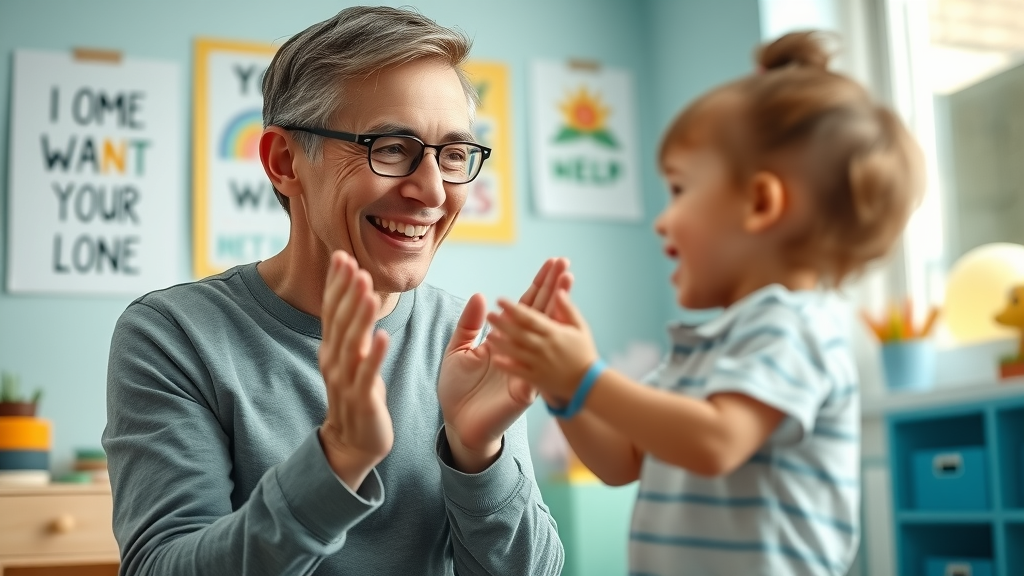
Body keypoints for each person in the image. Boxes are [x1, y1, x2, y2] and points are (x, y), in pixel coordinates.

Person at [102, 6, 566, 576]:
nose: (432, 192)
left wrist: (478, 455)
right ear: (284, 162)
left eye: (452, 155)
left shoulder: (465, 344)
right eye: (391, 148)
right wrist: (337, 461)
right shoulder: (174, 336)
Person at [485, 31, 924, 576]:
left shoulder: (796, 326)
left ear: (760, 203)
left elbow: (717, 441)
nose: (661, 219)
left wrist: (586, 377)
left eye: (679, 189)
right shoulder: (709, 347)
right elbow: (621, 461)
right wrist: (560, 387)